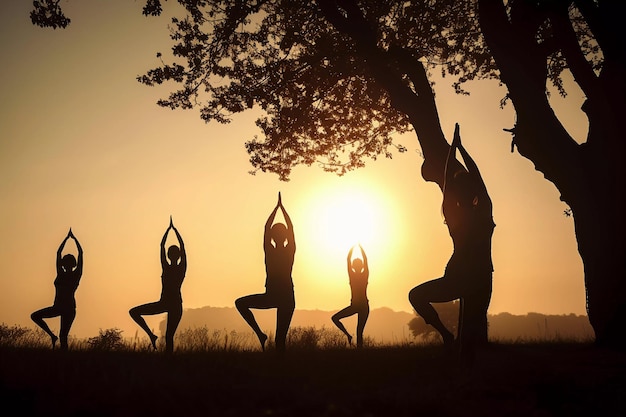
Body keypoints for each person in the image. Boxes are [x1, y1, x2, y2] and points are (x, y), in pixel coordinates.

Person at [409, 123, 495, 363]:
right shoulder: (483, 213)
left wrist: (455, 151)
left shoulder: (461, 214)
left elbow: (452, 183)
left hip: (466, 278)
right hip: (472, 278)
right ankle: (450, 340)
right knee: (466, 337)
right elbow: (475, 180)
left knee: (466, 337)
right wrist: (459, 149)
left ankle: (451, 342)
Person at [236, 192, 296, 353]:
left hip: (285, 298)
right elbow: (271, 229)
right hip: (273, 296)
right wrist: (279, 209)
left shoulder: (286, 250)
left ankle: (280, 371)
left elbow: (286, 229)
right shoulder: (273, 250)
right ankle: (260, 334)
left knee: (279, 340)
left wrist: (279, 209)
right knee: (240, 303)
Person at [130, 217, 186, 354]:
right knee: (134, 312)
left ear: (175, 255)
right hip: (164, 303)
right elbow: (163, 248)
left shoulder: (180, 268)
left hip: (175, 305)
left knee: (169, 336)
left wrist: (172, 231)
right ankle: (151, 335)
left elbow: (176, 247)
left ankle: (168, 359)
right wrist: (172, 231)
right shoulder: (167, 267)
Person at [31, 228, 84, 350]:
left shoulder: (76, 275)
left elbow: (80, 254)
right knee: (35, 316)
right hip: (57, 306)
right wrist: (67, 239)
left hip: (69, 308)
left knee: (63, 336)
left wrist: (74, 239)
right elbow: (58, 253)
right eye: (64, 262)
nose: (65, 264)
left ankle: (64, 358)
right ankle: (51, 336)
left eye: (67, 262)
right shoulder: (60, 273)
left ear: (72, 264)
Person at [332, 244, 370, 348]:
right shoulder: (357, 275)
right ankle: (348, 335)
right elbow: (350, 260)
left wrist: (356, 248)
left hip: (363, 306)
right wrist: (357, 247)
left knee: (359, 332)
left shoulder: (362, 275)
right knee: (335, 318)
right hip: (355, 306)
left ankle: (359, 353)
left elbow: (353, 260)